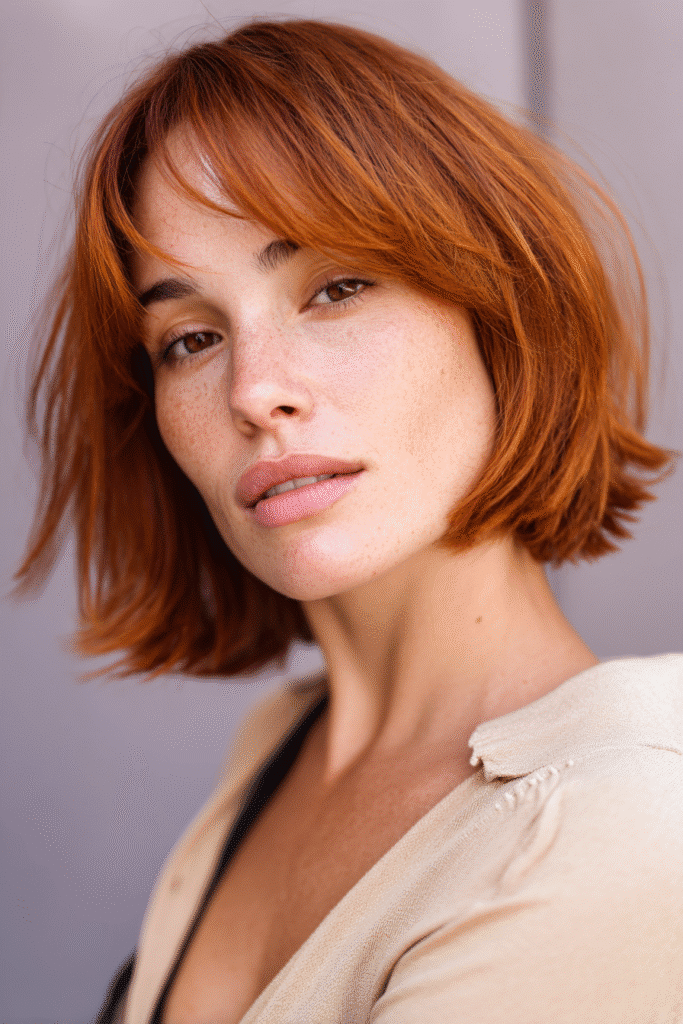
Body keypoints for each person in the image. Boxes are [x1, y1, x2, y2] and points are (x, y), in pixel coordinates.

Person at [14, 17, 683, 1024]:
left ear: (498, 310)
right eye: (190, 339)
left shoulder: (608, 821)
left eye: (335, 288)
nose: (254, 390)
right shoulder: (282, 744)